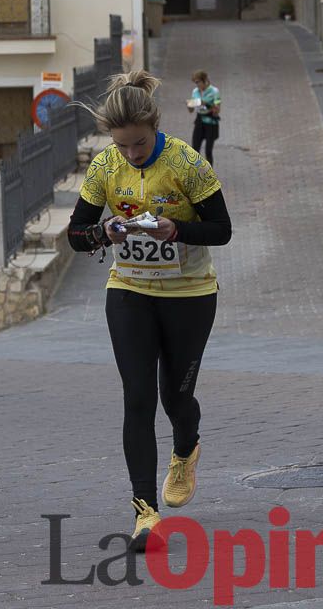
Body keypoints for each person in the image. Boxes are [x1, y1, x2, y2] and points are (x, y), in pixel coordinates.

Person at [68, 71, 232, 552]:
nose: (132, 155)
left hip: (189, 294)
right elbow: (76, 235)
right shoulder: (104, 168)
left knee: (175, 399)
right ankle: (145, 513)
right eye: (123, 147)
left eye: (138, 145)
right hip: (129, 291)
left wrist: (175, 229)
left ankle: (186, 448)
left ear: (154, 128)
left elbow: (222, 229)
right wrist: (104, 233)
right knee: (137, 398)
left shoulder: (186, 161)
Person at [187, 70, 222, 164]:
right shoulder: (195, 91)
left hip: (210, 123)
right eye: (195, 82)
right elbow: (191, 110)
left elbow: (217, 110)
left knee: (208, 151)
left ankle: (210, 176)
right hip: (199, 121)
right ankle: (195, 175)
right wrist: (189, 106)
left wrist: (205, 103)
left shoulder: (214, 91)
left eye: (198, 82)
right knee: (194, 151)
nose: (197, 85)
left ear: (204, 80)